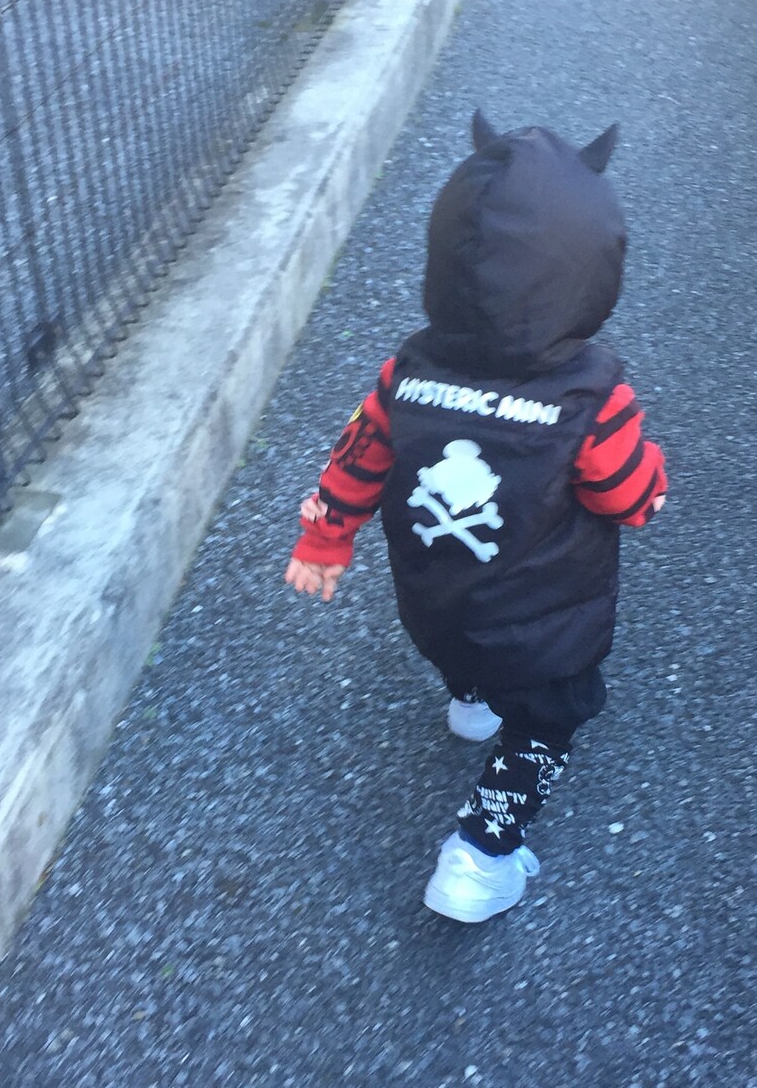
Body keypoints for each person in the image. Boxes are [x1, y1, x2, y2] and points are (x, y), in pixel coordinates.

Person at [285, 111, 667, 923]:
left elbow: (358, 455)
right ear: (591, 271)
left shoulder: (409, 372)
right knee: (551, 714)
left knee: (467, 641)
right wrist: (653, 482)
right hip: (544, 619)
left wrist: (324, 537)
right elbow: (630, 500)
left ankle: (471, 701)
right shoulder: (591, 398)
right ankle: (482, 855)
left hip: (437, 600)